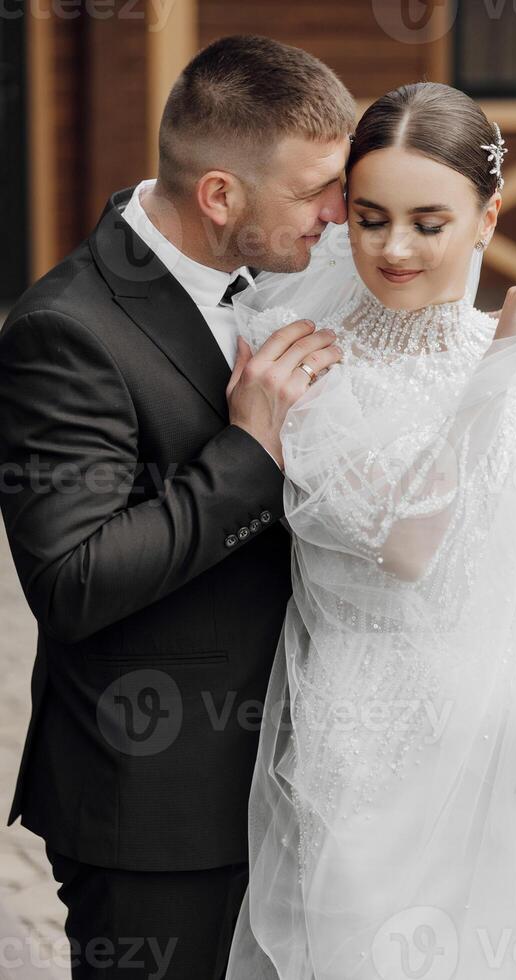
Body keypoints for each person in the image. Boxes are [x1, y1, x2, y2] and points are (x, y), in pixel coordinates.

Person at [225, 82, 516, 980]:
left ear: (487, 216)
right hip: (375, 746)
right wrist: (498, 371)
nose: (394, 248)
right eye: (370, 218)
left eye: (429, 221)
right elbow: (408, 543)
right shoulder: (304, 357)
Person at [0, 35, 352, 979]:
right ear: (220, 196)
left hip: (288, 784)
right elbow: (73, 581)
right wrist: (248, 451)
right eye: (316, 188)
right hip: (157, 811)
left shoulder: (290, 277)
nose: (338, 212)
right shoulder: (63, 329)